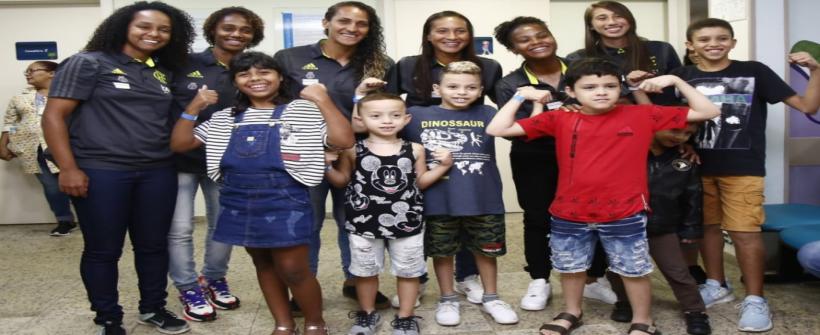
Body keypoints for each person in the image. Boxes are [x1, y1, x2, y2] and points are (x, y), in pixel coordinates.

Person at [487, 58, 721, 335]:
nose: (601, 91)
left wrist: (676, 81)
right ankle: (572, 312)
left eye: (609, 85)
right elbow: (497, 129)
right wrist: (519, 95)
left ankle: (643, 320)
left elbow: (709, 110)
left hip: (625, 211)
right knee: (572, 268)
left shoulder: (641, 115)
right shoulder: (560, 117)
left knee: (633, 269)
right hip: (569, 212)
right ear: (572, 92)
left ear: (620, 88)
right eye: (590, 87)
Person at [170, 51, 353, 335]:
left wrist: (323, 99)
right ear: (235, 82)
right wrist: (193, 106)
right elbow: (180, 144)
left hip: (286, 199)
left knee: (294, 268)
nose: (255, 78)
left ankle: (315, 323)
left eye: (264, 71)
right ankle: (284, 323)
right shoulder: (224, 118)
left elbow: (343, 139)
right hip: (238, 200)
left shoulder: (301, 111)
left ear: (280, 77)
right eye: (245, 74)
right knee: (263, 263)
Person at [41, 2, 195, 334]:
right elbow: (54, 116)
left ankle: (153, 308)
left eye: (163, 29)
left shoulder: (160, 71)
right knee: (103, 249)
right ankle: (107, 316)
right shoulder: (88, 63)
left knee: (153, 246)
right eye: (144, 26)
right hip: (102, 170)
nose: (153, 34)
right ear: (123, 26)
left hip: (157, 170)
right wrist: (68, 168)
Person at [657, 18, 820, 333]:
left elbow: (807, 106)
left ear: (733, 42)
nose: (713, 44)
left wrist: (815, 70)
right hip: (696, 168)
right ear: (690, 46)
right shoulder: (681, 76)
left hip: (743, 169)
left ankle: (756, 299)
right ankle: (717, 284)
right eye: (704, 39)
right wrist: (642, 82)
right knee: (707, 229)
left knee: (745, 233)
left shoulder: (755, 71)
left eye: (722, 38)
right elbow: (658, 119)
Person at [273, 0, 393, 308]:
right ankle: (303, 288)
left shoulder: (380, 64)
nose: (352, 28)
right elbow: (277, 107)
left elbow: (385, 110)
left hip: (359, 155)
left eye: (361, 24)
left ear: (370, 30)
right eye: (344, 21)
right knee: (306, 223)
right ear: (326, 22)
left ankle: (355, 281)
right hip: (307, 154)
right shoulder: (289, 58)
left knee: (354, 221)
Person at [385, 10, 502, 307]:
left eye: (460, 30)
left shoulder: (488, 66)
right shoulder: (409, 65)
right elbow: (387, 104)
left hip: (468, 152)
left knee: (468, 212)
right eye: (442, 31)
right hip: (423, 152)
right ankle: (420, 281)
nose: (452, 37)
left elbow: (498, 110)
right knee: (432, 224)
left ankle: (467, 278)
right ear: (428, 34)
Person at [166, 6, 264, 322]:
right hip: (178, 158)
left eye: (245, 30)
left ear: (254, 35)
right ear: (213, 30)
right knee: (180, 229)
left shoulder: (253, 67)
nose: (236, 34)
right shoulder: (183, 63)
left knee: (223, 226)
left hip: (225, 161)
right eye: (229, 28)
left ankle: (213, 278)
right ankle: (187, 286)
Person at [326, 92, 452, 335]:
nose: (386, 120)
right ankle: (367, 315)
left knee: (408, 271)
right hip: (363, 224)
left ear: (406, 119)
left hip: (408, 223)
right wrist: (326, 165)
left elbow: (421, 181)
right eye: (376, 115)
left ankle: (406, 317)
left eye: (394, 115)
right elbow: (341, 181)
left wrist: (445, 166)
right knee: (365, 272)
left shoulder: (414, 149)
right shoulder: (353, 150)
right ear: (360, 120)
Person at [403, 61, 518, 326]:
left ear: (480, 91)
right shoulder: (417, 114)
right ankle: (447, 298)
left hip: (484, 199)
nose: (461, 92)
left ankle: (491, 297)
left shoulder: (488, 112)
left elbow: (523, 125)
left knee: (487, 251)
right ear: (437, 88)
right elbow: (381, 125)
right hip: (437, 200)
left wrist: (525, 97)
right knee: (442, 252)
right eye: (453, 86)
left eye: (471, 87)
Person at [608, 122, 712, 335]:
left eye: (688, 134)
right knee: (619, 270)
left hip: (662, 226)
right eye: (675, 130)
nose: (681, 137)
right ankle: (625, 302)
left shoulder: (684, 161)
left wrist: (691, 229)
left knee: (678, 272)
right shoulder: (625, 152)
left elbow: (693, 196)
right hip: (624, 225)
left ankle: (695, 312)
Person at [1, 61, 76, 236]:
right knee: (52, 188)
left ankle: (95, 220)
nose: (28, 74)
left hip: (68, 148)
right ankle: (65, 220)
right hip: (35, 150)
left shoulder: (68, 95)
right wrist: (4, 143)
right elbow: (11, 124)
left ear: (52, 73)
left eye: (32, 71)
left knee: (80, 186)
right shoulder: (19, 98)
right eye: (26, 72)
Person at [566, 1, 681, 104]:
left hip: (668, 118)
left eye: (619, 16)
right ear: (591, 25)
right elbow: (575, 97)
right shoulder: (578, 58)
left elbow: (683, 86)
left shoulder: (661, 48)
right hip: (610, 121)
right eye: (602, 18)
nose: (611, 22)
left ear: (629, 20)